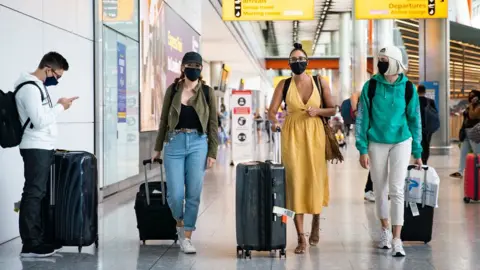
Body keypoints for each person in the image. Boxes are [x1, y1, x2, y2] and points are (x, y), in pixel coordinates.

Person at [268, 43, 336, 254]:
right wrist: (275, 121)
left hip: (315, 135)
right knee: (294, 183)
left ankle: (316, 220)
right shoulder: (284, 85)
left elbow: (333, 109)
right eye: (294, 60)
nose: (298, 63)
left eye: (301, 59)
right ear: (289, 64)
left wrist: (319, 111)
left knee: (314, 180)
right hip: (292, 136)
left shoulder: (320, 81)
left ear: (307, 62)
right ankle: (301, 237)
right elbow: (272, 111)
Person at [355, 45, 423, 257]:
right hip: (377, 141)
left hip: (401, 141)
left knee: (397, 189)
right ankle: (384, 229)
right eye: (380, 59)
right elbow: (362, 119)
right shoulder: (371, 86)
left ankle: (397, 238)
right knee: (379, 189)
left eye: (385, 59)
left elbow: (415, 120)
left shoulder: (408, 88)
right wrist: (362, 148)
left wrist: (418, 151)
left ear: (395, 61)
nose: (380, 62)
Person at [152, 52, 218, 254]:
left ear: (201, 69)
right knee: (175, 194)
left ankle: (187, 236)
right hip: (174, 143)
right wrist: (157, 147)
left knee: (193, 193)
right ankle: (180, 223)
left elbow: (213, 124)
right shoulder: (173, 90)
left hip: (198, 144)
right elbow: (164, 119)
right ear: (182, 67)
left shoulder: (207, 92)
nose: (194, 68)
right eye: (190, 65)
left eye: (197, 65)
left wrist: (213, 152)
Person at [16, 52, 76, 257]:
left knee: (40, 193)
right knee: (33, 193)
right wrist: (61, 106)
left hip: (42, 146)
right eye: (57, 76)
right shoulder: (30, 88)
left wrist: (58, 104)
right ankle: (30, 243)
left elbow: (41, 117)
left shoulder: (38, 87)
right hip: (35, 147)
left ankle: (39, 238)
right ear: (48, 69)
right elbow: (40, 120)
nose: (56, 80)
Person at [351, 91, 375, 202]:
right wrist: (356, 111)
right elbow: (354, 95)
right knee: (375, 163)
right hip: (371, 131)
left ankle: (372, 190)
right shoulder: (372, 86)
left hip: (378, 131)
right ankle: (369, 190)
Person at [450, 90, 480, 178]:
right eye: (470, 95)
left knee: (477, 152)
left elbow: (473, 116)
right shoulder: (471, 106)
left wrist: (471, 105)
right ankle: (460, 172)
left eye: (473, 96)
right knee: (463, 152)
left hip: (475, 132)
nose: (471, 97)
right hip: (466, 131)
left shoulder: (478, 106)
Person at [417, 84, 438, 164]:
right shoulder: (430, 101)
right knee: (426, 144)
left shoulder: (415, 101)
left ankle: (418, 159)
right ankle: (424, 161)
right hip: (428, 127)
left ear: (417, 91)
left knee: (418, 143)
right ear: (425, 92)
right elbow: (435, 113)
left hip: (417, 127)